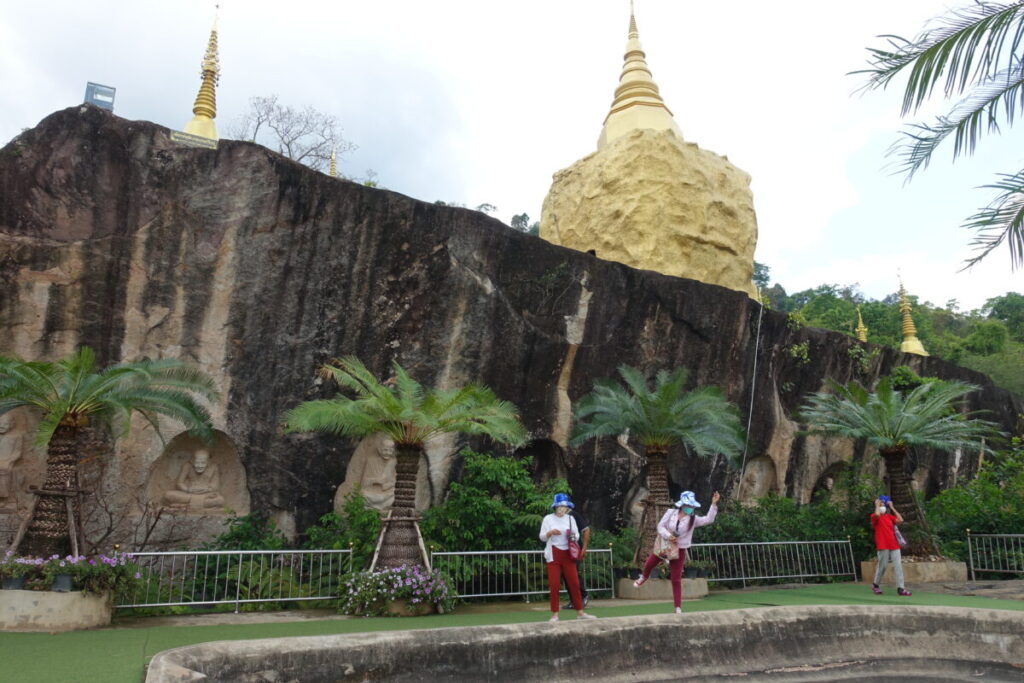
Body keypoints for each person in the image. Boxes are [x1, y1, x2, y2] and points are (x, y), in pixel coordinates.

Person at [633, 490, 720, 614]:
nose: (691, 508)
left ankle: (678, 607)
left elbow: (708, 519)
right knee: (650, 563)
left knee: (676, 579)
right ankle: (644, 577)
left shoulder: (693, 519)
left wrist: (714, 504)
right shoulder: (670, 513)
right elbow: (660, 526)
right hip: (665, 545)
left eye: (692, 506)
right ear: (682, 505)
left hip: (679, 550)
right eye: (689, 505)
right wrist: (668, 536)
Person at [539, 493, 596, 622]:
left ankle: (580, 613)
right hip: (554, 554)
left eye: (564, 507)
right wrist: (550, 533)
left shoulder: (570, 519)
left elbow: (577, 535)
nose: (561, 509)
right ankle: (554, 614)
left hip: (568, 554)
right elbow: (542, 537)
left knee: (574, 583)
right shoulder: (548, 519)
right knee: (554, 585)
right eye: (559, 507)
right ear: (555, 507)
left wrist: (571, 536)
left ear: (567, 508)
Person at [871, 495, 912, 596]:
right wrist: (876, 504)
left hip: (894, 544)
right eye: (881, 503)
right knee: (883, 566)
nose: (882, 505)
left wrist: (892, 507)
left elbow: (901, 520)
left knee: (898, 566)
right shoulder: (874, 516)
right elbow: (876, 514)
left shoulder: (889, 517)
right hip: (883, 545)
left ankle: (901, 588)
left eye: (883, 504)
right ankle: (876, 585)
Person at [561, 507, 590, 609]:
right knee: (566, 575)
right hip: (563, 550)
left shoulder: (573, 515)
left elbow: (585, 530)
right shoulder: (558, 517)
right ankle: (573, 600)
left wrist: (584, 548)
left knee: (573, 574)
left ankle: (583, 595)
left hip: (574, 550)